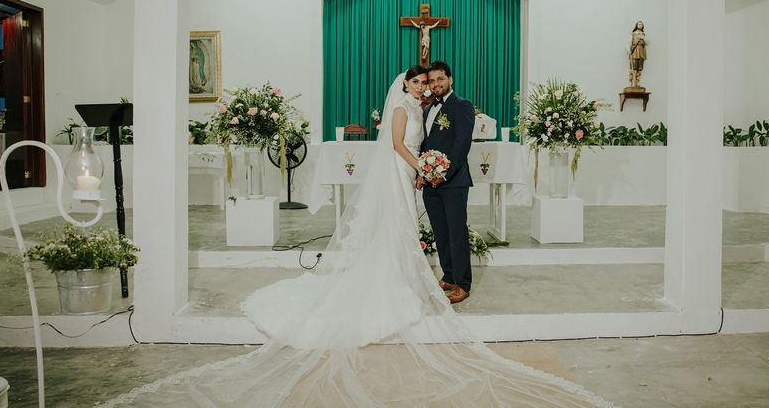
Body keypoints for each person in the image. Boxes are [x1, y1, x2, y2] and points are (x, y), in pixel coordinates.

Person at [98, 67, 608, 407]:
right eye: (420, 81)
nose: (425, 85)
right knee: (408, 232)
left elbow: (451, 141)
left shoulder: (457, 105)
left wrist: (432, 165)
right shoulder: (409, 109)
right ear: (408, 87)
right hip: (410, 177)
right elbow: (399, 142)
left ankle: (453, 282)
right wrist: (420, 164)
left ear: (443, 81)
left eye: (430, 80)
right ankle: (427, 282)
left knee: (440, 232)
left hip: (433, 178)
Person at [417, 60, 475, 304]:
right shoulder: (428, 109)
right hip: (430, 182)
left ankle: (462, 283)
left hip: (453, 181)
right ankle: (449, 275)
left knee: (456, 232)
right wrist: (424, 173)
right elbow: (425, 144)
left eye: (440, 79)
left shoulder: (461, 105)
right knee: (440, 232)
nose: (436, 84)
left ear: (450, 79)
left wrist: (442, 174)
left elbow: (462, 146)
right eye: (431, 80)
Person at [629, 21, 647, 88]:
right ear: (636, 25)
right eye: (639, 24)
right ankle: (632, 83)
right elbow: (629, 42)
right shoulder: (633, 34)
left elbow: (647, 43)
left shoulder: (643, 34)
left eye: (641, 24)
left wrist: (644, 39)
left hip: (641, 51)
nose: (640, 25)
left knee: (639, 68)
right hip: (635, 51)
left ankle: (637, 83)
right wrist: (629, 50)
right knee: (633, 67)